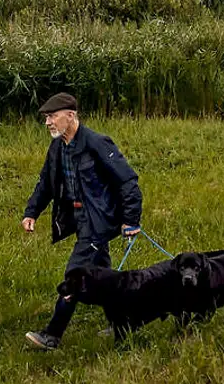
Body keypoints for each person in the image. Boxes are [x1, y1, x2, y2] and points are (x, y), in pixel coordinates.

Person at [21, 92, 143, 350]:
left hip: (98, 222)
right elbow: (46, 182)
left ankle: (52, 335)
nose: (48, 123)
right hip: (78, 218)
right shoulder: (57, 147)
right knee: (104, 273)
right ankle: (121, 320)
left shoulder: (97, 143)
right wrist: (31, 212)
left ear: (71, 116)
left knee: (74, 275)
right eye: (46, 118)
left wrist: (131, 220)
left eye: (52, 116)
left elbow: (128, 181)